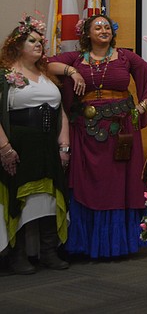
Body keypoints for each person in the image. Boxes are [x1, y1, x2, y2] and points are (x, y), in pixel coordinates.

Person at [47, 14, 147, 259]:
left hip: (121, 129)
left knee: (118, 184)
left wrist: (143, 106)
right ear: (87, 33)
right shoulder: (76, 58)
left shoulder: (126, 57)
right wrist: (72, 71)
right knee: (89, 184)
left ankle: (119, 244)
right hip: (87, 131)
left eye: (107, 26)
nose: (104, 30)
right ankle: (86, 243)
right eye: (98, 27)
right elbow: (47, 63)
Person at [0, 15, 70, 275]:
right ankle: (17, 255)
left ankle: (49, 252)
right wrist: (5, 148)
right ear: (18, 45)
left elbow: (60, 110)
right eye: (32, 41)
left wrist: (64, 145)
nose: (39, 45)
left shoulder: (45, 74)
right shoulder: (5, 75)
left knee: (49, 198)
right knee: (22, 197)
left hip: (47, 145)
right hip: (19, 144)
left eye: (41, 41)